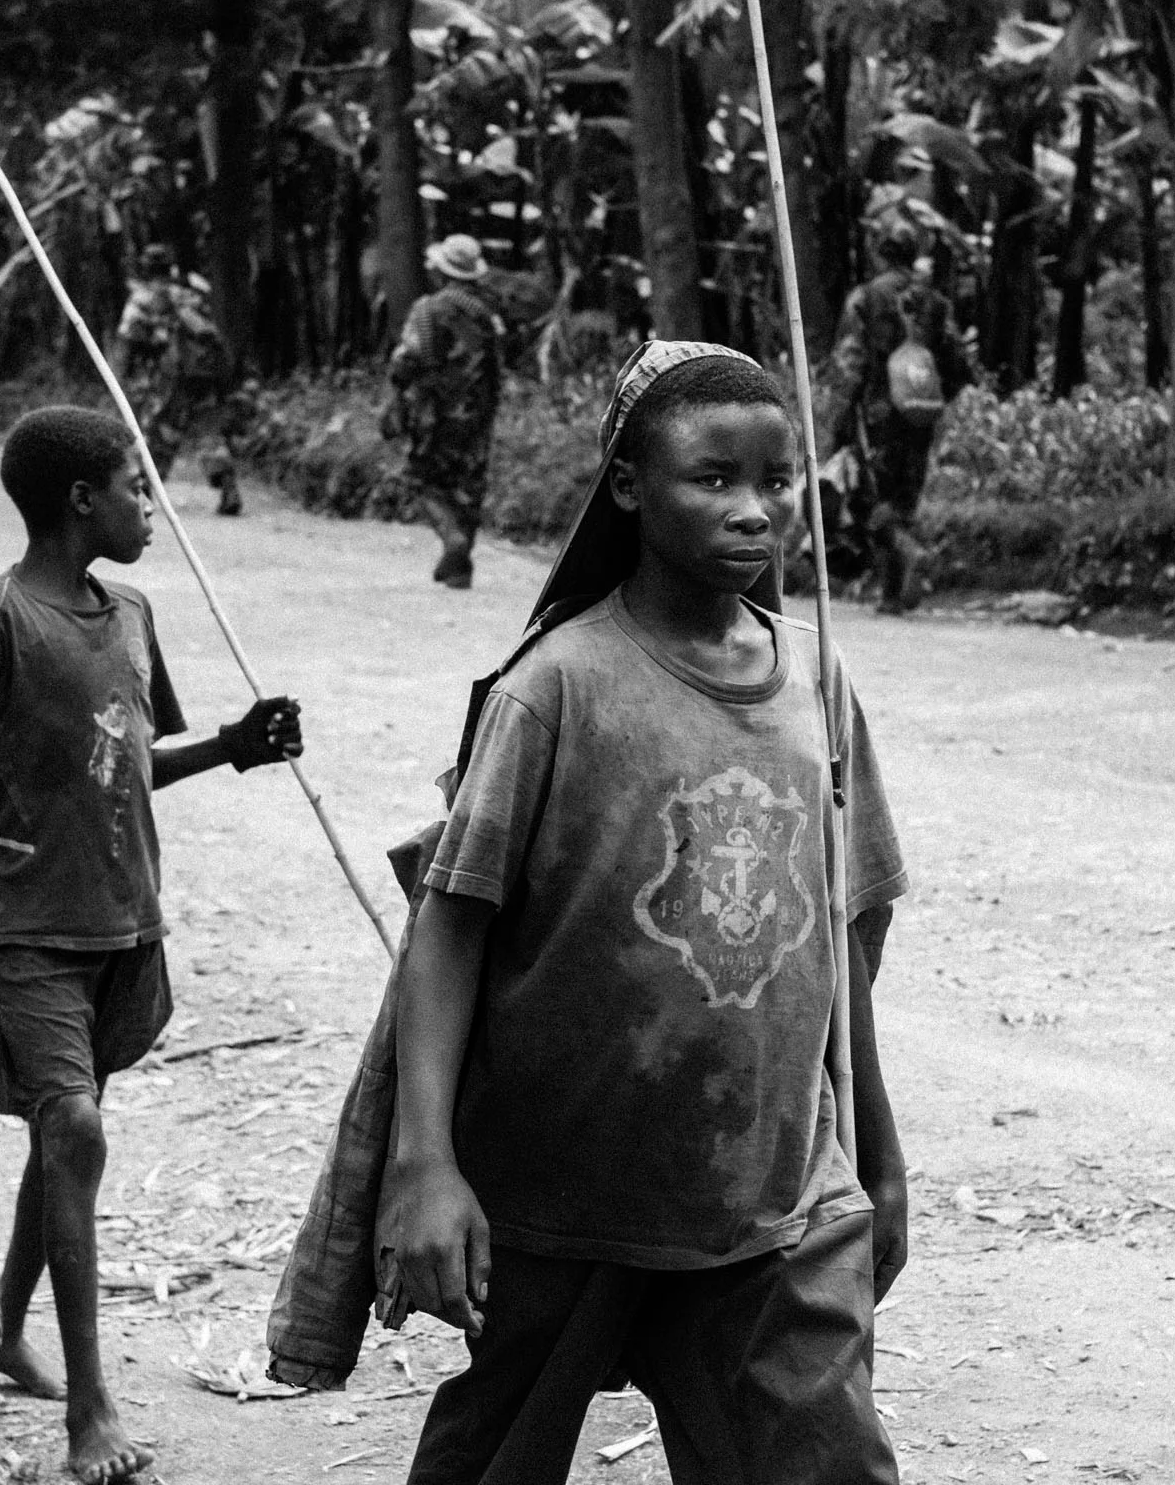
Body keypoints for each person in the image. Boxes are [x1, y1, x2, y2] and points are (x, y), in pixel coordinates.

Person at [379, 341, 909, 1484]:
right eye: (712, 477)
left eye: (777, 479)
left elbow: (842, 932)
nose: (754, 509)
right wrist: (425, 1164)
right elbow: (452, 922)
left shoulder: (817, 680)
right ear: (627, 484)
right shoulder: (558, 684)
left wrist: (883, 1154)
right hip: (564, 1192)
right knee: (496, 1457)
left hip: (771, 1194)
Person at [0, 405, 303, 1485]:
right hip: (28, 925)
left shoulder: (132, 613)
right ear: (81, 500)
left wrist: (234, 745)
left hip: (127, 917)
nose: (151, 504)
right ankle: (90, 1407)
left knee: (62, 1136)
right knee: (72, 1126)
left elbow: (127, 761)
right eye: (135, 484)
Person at [826, 221, 971, 612]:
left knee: (870, 496)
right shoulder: (930, 299)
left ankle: (909, 553)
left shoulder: (866, 297)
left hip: (878, 410)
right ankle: (892, 596)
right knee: (904, 495)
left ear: (880, 253)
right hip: (920, 409)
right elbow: (957, 361)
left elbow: (850, 361)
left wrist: (842, 415)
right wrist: (932, 395)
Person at [385, 235, 509, 588]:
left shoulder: (428, 309)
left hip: (434, 412)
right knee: (469, 484)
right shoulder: (488, 315)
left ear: (443, 272)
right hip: (479, 413)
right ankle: (460, 567)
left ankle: (452, 539)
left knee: (421, 479)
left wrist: (397, 395)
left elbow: (409, 358)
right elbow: (500, 365)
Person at [116, 247, 243, 517]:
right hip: (203, 375)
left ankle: (144, 493)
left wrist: (121, 383)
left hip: (170, 377)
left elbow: (128, 343)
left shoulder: (143, 299)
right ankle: (228, 487)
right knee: (209, 431)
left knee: (160, 432)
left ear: (146, 268)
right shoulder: (191, 296)